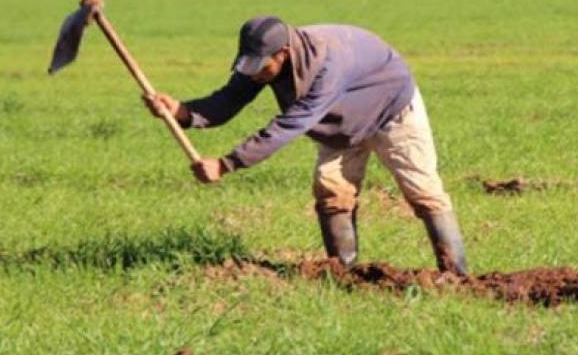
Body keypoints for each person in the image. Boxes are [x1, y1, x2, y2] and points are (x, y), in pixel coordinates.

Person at [143, 16, 468, 275]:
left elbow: (291, 123)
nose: (255, 74)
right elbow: (229, 100)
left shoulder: (327, 61)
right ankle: (343, 274)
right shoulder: (259, 62)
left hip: (390, 111)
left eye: (261, 68)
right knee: (331, 191)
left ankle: (456, 275)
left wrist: (228, 163)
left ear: (282, 54)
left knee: (423, 191)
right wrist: (182, 111)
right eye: (250, 66)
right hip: (340, 125)